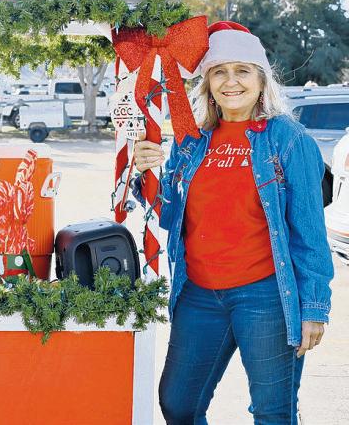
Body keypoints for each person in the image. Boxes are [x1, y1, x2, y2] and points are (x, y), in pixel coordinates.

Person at [134, 21, 334, 424]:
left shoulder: (288, 139)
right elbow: (169, 216)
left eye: (242, 71)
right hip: (199, 294)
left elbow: (309, 233)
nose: (231, 82)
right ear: (207, 83)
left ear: (261, 80)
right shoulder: (191, 141)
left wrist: (314, 307)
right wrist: (146, 176)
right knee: (178, 404)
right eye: (219, 72)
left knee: (272, 413)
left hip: (265, 296)